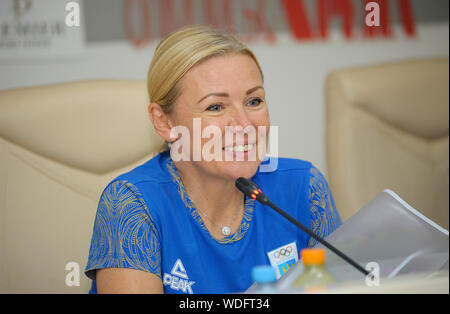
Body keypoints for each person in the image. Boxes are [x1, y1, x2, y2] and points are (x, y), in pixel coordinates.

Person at [85, 25, 342, 294]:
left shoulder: (304, 187)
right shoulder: (132, 204)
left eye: (254, 101)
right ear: (164, 121)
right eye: (216, 107)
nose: (244, 124)